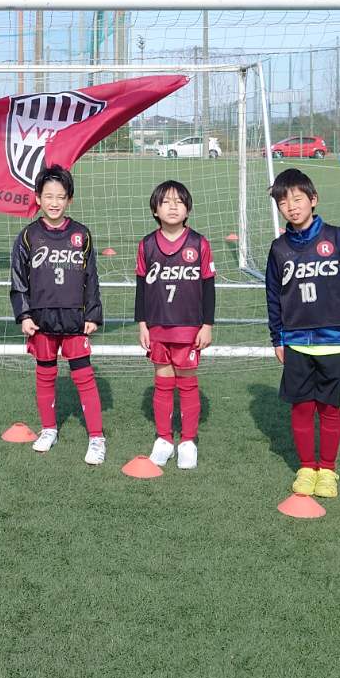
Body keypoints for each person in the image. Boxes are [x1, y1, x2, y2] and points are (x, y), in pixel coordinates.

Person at [265, 168, 340, 499]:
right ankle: (306, 467)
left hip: (335, 340)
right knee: (301, 408)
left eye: (297, 199)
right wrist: (277, 338)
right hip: (296, 341)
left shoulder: (337, 238)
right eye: (284, 202)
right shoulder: (279, 248)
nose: (291, 207)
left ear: (313, 199)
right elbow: (273, 296)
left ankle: (327, 469)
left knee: (328, 408)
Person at [10, 165, 107, 465]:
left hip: (75, 319)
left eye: (61, 197)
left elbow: (91, 277)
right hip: (41, 319)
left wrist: (92, 314)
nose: (54, 203)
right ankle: (49, 429)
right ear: (38, 198)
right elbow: (18, 279)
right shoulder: (28, 236)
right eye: (48, 196)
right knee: (45, 374)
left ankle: (96, 437)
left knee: (84, 376)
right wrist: (24, 315)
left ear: (70, 200)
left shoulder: (81, 234)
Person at [135, 179, 215, 469]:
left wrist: (207, 325)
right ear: (155, 210)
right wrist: (142, 324)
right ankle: (164, 439)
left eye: (179, 202)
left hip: (189, 328)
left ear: (187, 209)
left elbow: (208, 287)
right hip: (158, 326)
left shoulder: (199, 243)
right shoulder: (146, 245)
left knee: (188, 384)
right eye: (166, 202)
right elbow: (141, 287)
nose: (173, 207)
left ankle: (188, 441)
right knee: (163, 383)